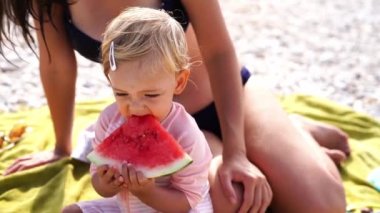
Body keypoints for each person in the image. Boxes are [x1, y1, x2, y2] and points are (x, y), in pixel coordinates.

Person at [1, 0, 349, 212]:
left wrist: (238, 153)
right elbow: (57, 66)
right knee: (232, 203)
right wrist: (61, 147)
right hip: (162, 125)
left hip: (230, 99)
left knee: (323, 206)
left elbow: (219, 52)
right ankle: (274, 147)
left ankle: (294, 130)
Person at [63, 8, 213, 212]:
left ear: (179, 82)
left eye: (150, 95)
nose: (135, 108)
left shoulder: (186, 134)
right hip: (124, 207)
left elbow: (187, 201)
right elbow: (97, 179)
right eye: (122, 94)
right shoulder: (108, 120)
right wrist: (105, 184)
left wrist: (147, 192)